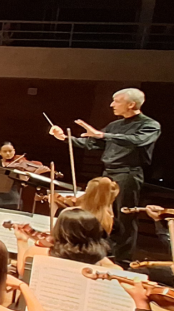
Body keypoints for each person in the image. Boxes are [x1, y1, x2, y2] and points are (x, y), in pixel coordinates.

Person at [50, 88, 160, 262]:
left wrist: (103, 135)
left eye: (117, 101)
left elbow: (137, 140)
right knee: (101, 212)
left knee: (123, 216)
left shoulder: (149, 125)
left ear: (131, 104)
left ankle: (122, 258)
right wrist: (64, 138)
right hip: (108, 172)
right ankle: (102, 252)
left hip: (128, 173)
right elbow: (94, 143)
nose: (111, 105)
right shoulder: (115, 125)